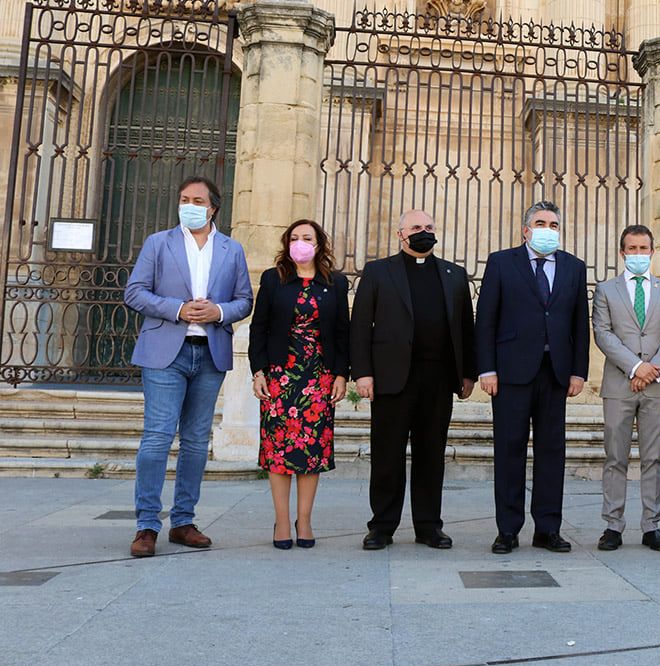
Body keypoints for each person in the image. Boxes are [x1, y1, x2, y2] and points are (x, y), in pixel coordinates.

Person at [123, 176, 252, 558]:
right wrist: (177, 309)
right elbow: (135, 292)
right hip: (166, 351)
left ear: (213, 207)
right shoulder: (158, 243)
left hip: (209, 352)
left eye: (197, 199)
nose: (189, 205)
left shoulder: (231, 249)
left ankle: (183, 521)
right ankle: (146, 525)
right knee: (158, 437)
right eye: (183, 198)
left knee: (196, 441)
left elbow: (244, 300)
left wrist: (219, 311)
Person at [351, 210, 477, 551]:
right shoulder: (378, 272)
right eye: (417, 228)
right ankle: (381, 526)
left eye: (429, 227)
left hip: (438, 380)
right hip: (392, 379)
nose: (424, 232)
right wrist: (362, 373)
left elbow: (466, 327)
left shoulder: (453, 274)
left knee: (431, 455)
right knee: (387, 454)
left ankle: (428, 525)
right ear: (400, 234)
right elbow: (361, 325)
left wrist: (468, 374)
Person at [476, 201, 590, 554]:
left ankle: (547, 528)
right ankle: (508, 529)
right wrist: (487, 368)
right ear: (526, 229)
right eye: (540, 223)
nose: (547, 229)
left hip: (555, 373)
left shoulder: (573, 267)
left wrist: (578, 371)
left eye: (553, 224)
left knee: (552, 451)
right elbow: (486, 319)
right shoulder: (500, 262)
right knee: (509, 450)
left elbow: (578, 324)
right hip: (510, 372)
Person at [248, 219, 350, 550]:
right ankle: (281, 521)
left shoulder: (335, 283)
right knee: (279, 452)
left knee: (311, 451)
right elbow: (258, 327)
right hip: (280, 376)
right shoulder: (274, 279)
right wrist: (258, 371)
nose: (300, 243)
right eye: (294, 237)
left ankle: (304, 520)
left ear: (319, 244)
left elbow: (342, 332)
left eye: (307, 237)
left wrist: (340, 374)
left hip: (318, 378)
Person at [591, 225, 660, 552]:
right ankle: (613, 525)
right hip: (619, 384)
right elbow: (603, 334)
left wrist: (651, 369)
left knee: (653, 458)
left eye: (643, 248)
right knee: (615, 456)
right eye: (632, 249)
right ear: (622, 253)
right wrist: (635, 367)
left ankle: (652, 525)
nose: (638, 254)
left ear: (652, 251)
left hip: (657, 385)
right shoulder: (606, 290)